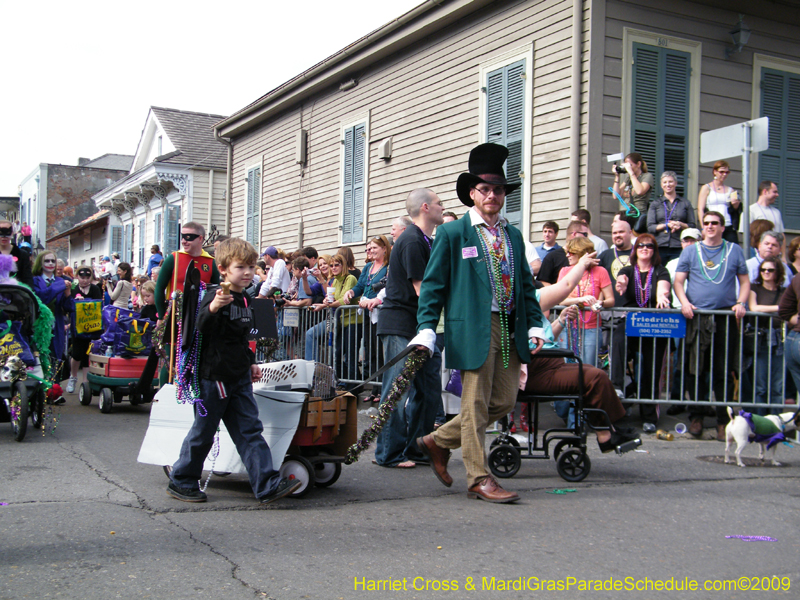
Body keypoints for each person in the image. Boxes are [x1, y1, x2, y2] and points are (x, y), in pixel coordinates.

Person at [414, 143, 546, 504]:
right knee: (473, 404)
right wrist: (426, 327)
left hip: (508, 325)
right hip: (472, 327)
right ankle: (478, 476)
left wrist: (535, 324)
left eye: (498, 189)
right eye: (485, 189)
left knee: (502, 401)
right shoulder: (454, 234)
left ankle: (436, 441)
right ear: (472, 194)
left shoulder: (512, 235)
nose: (492, 195)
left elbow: (525, 288)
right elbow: (433, 286)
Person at [167, 238, 301, 504]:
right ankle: (182, 480)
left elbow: (241, 336)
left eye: (252, 266)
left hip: (238, 376)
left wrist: (251, 361)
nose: (249, 272)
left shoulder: (243, 298)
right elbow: (202, 324)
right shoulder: (215, 294)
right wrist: (215, 306)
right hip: (214, 377)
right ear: (223, 268)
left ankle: (267, 485)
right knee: (204, 432)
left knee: (250, 430)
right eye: (241, 267)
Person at [521, 259, 639, 453]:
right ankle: (606, 434)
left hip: (548, 362)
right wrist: (582, 264)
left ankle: (608, 430)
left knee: (593, 373)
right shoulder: (527, 299)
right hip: (538, 368)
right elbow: (565, 286)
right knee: (595, 377)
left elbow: (546, 337)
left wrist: (561, 319)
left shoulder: (528, 301)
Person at [373, 188, 444, 469]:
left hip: (419, 326)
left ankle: (418, 447)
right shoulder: (413, 240)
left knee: (427, 389)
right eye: (439, 203)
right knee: (397, 389)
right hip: (401, 324)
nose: (442, 207)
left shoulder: (425, 241)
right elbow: (421, 290)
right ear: (425, 208)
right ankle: (388, 452)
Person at [674, 211, 750, 441]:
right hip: (697, 318)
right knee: (695, 370)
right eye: (706, 223)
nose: (709, 226)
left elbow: (744, 282)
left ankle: (723, 421)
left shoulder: (734, 250)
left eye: (714, 223)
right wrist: (685, 303)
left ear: (722, 227)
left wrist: (740, 302)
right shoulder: (690, 251)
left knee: (723, 372)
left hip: (724, 318)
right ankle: (696, 418)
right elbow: (679, 281)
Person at [614, 234, 672, 433]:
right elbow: (621, 279)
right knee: (618, 339)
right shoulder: (628, 270)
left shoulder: (661, 272)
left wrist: (663, 296)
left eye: (649, 246)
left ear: (654, 250)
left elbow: (663, 289)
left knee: (651, 369)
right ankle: (617, 387)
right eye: (641, 245)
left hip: (654, 325)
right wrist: (620, 283)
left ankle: (649, 416)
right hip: (631, 322)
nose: (645, 248)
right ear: (635, 250)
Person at [154, 222, 220, 384]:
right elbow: (159, 288)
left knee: (196, 357)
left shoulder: (210, 262)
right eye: (182, 237)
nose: (184, 241)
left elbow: (216, 290)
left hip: (199, 316)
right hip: (175, 314)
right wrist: (162, 316)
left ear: (200, 239)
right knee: (171, 358)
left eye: (189, 237)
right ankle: (165, 394)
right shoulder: (173, 258)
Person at [343, 235, 391, 394]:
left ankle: (380, 389)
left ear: (384, 248)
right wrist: (351, 291)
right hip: (366, 311)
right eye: (369, 248)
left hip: (380, 312)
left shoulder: (388, 266)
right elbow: (360, 286)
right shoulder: (368, 267)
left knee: (378, 351)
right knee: (368, 350)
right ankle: (373, 389)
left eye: (374, 248)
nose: (370, 251)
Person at [556, 236, 613, 368]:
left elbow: (610, 299)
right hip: (568, 326)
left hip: (591, 327)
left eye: (571, 252)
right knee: (567, 367)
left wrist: (600, 303)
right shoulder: (565, 271)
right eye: (567, 252)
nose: (567, 255)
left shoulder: (600, 271)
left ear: (581, 253)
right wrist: (580, 300)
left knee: (588, 367)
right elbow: (559, 300)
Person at [746, 258, 785, 415]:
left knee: (778, 386)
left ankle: (777, 423)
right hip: (760, 337)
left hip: (779, 337)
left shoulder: (784, 291)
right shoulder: (754, 288)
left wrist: (776, 309)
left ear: (778, 272)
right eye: (763, 270)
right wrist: (779, 308)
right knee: (760, 385)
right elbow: (754, 308)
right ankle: (760, 421)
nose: (766, 273)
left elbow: (789, 310)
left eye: (770, 270)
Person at [66, 266, 104, 393]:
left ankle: (86, 382)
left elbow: (98, 304)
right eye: (82, 278)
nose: (85, 280)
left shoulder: (95, 289)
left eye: (88, 278)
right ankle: (73, 377)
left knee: (90, 354)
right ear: (77, 277)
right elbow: (68, 305)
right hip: (78, 327)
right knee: (77, 354)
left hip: (93, 327)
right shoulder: (73, 289)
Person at [32, 250, 74, 365]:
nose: (50, 263)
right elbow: (42, 298)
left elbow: (69, 307)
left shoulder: (60, 280)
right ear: (40, 263)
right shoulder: (34, 280)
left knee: (56, 358)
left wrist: (68, 293)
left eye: (53, 261)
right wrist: (59, 286)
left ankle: (55, 383)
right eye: (47, 261)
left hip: (57, 324)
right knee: (41, 358)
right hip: (40, 325)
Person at [647, 171, 696, 264]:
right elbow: (650, 226)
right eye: (665, 182)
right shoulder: (655, 204)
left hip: (678, 245)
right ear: (661, 185)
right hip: (660, 245)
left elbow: (692, 226)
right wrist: (666, 225)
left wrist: (680, 224)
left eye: (670, 181)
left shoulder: (685, 203)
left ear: (676, 183)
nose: (668, 184)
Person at [696, 160, 740, 243]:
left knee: (732, 247)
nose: (724, 174)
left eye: (727, 172)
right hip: (712, 224)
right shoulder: (706, 187)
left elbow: (735, 209)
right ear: (715, 172)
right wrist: (703, 227)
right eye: (721, 172)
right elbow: (700, 209)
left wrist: (736, 204)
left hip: (727, 224)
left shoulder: (731, 190)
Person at [536, 220, 590, 286]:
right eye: (585, 234)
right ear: (574, 234)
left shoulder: (585, 255)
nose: (587, 238)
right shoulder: (552, 257)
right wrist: (558, 292)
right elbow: (542, 281)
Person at [0, 220, 33, 287]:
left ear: (12, 233)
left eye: (7, 233)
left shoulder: (22, 255)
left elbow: (27, 279)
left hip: (16, 294)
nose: (4, 236)